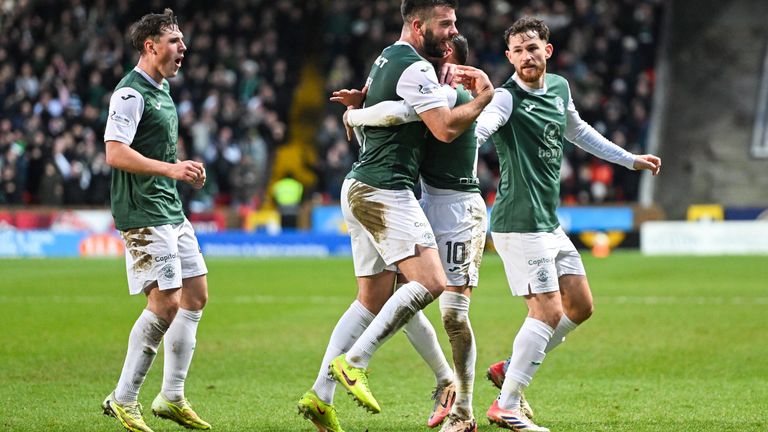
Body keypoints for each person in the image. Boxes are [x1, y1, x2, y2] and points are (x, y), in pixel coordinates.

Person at [297, 1, 494, 431]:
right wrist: (484, 95)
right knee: (430, 283)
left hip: (362, 186)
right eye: (445, 25)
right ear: (419, 24)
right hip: (386, 189)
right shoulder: (421, 71)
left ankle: (320, 393)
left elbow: (394, 111)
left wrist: (355, 110)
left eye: (455, 27)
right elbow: (440, 126)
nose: (451, 33)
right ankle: (356, 362)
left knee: (373, 299)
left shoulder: (386, 57)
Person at [475, 17, 661, 431]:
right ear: (509, 57)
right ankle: (506, 405)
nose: (526, 56)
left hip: (547, 221)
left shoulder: (559, 88)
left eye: (532, 47)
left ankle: (510, 368)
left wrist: (630, 159)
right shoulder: (506, 99)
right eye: (518, 50)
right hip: (518, 222)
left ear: (548, 50)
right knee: (546, 310)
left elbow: (578, 131)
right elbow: (481, 131)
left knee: (580, 305)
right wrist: (465, 167)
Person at [342, 34, 485, 432]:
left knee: (453, 315)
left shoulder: (453, 99)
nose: (440, 66)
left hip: (459, 211)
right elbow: (400, 109)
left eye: (448, 62)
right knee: (406, 293)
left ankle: (463, 408)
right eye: (436, 59)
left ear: (462, 68)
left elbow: (403, 114)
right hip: (423, 202)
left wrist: (356, 114)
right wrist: (364, 103)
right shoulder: (433, 95)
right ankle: (446, 385)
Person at [101, 9, 211, 432]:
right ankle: (124, 399)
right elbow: (114, 152)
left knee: (196, 296)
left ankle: (172, 396)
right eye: (175, 41)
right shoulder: (130, 93)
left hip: (169, 208)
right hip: (142, 212)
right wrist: (171, 169)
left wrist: (182, 171)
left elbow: (160, 154)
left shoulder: (162, 90)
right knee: (165, 303)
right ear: (151, 46)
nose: (183, 49)